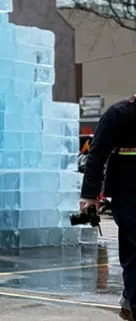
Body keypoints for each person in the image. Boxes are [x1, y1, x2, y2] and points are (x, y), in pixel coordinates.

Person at [80, 94, 136, 320]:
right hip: (129, 196)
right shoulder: (119, 114)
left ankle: (129, 301)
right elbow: (96, 156)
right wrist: (89, 195)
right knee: (135, 253)